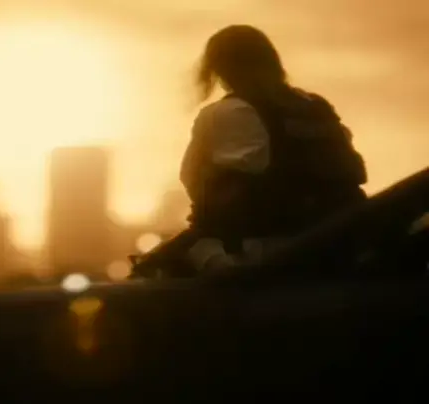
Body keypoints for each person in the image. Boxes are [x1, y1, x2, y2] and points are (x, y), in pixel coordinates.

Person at [132, 25, 367, 277]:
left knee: (158, 267)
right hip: (337, 244)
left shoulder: (227, 112)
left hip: (257, 251)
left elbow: (193, 178)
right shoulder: (317, 108)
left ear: (221, 69)